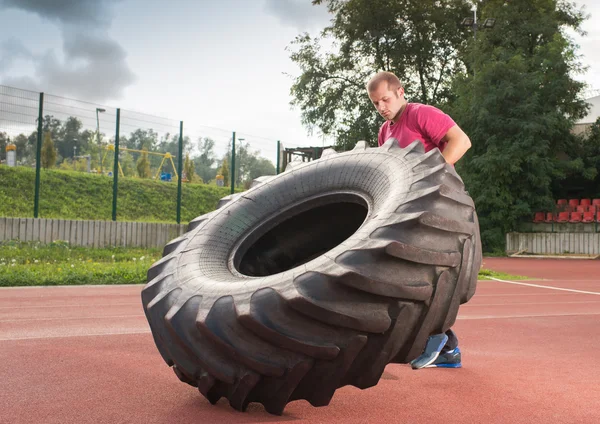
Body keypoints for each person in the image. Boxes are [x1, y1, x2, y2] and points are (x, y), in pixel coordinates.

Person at [366, 71, 472, 369]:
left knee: (416, 274)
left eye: (385, 99)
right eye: (376, 103)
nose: (382, 107)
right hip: (406, 210)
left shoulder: (421, 114)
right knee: (395, 274)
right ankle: (448, 350)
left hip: (437, 203)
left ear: (400, 91)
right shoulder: (385, 131)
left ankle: (435, 336)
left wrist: (431, 174)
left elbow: (461, 141)